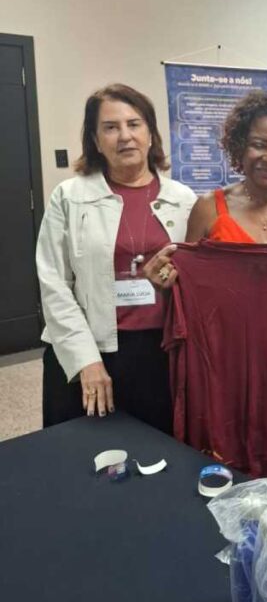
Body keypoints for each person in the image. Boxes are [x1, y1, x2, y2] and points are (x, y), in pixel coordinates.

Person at [147, 90, 267, 500]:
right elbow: (186, 292)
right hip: (227, 360)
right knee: (231, 462)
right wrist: (164, 284)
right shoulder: (209, 209)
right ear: (239, 146)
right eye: (259, 144)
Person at [36, 83, 196, 431]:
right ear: (95, 141)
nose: (125, 136)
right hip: (89, 347)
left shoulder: (184, 199)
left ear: (151, 134)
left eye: (134, 124)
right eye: (110, 127)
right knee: (82, 452)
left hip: (160, 351)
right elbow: (54, 284)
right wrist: (86, 361)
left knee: (158, 450)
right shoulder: (69, 196)